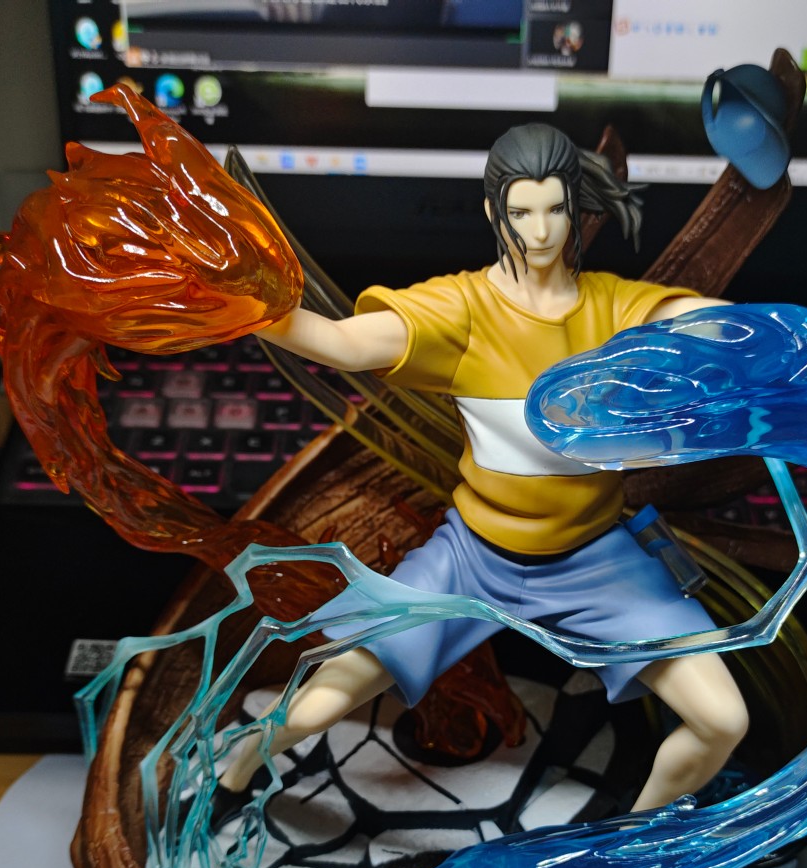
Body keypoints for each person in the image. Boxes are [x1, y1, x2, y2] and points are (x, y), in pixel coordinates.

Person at [220, 122, 748, 811]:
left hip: (595, 560)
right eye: (521, 212)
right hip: (472, 559)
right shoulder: (463, 309)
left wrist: (749, 341)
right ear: (494, 212)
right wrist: (233, 299)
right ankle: (233, 774)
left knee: (722, 720)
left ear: (575, 207)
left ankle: (627, 851)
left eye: (555, 209)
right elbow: (342, 343)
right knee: (323, 699)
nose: (540, 231)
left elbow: (722, 326)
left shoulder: (616, 309)